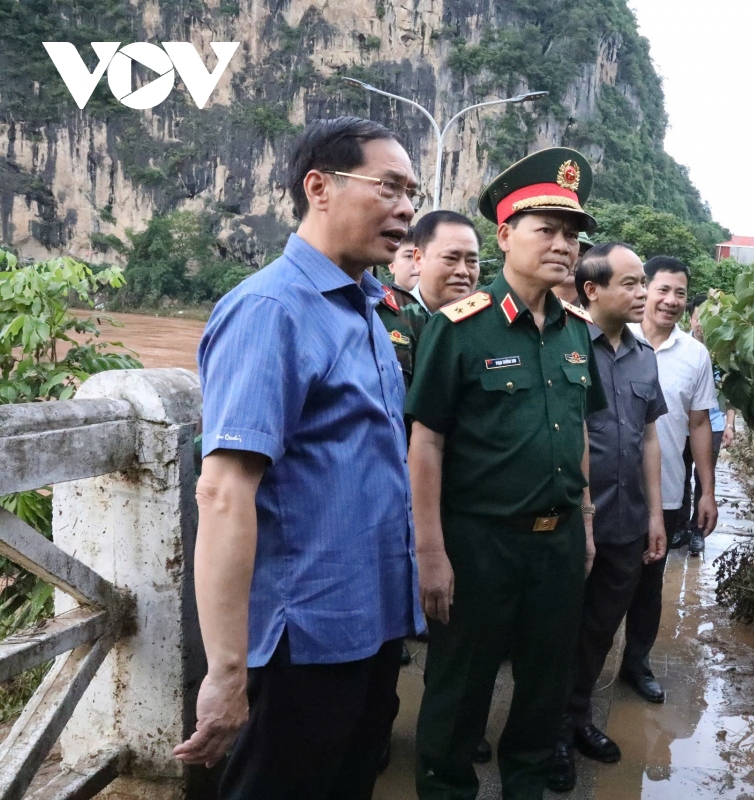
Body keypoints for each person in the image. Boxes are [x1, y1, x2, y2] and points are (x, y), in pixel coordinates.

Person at [174, 117, 423, 800]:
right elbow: (223, 493)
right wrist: (226, 675)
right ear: (320, 186)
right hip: (304, 639)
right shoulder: (269, 310)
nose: (406, 209)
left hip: (370, 625)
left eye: (413, 194)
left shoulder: (366, 309)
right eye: (389, 188)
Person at [406, 147, 607, 799]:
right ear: (505, 235)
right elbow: (427, 441)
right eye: (545, 229)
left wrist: (585, 521)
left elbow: (576, 428)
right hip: (478, 543)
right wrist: (431, 550)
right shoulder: (459, 329)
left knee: (543, 695)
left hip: (556, 545)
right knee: (459, 694)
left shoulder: (579, 332)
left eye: (571, 233)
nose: (562, 244)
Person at [547, 242, 670, 791]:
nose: (643, 293)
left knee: (599, 629)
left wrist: (656, 516)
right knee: (556, 628)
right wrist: (584, 513)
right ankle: (545, 732)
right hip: (572, 521)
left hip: (626, 520)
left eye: (644, 282)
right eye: (632, 283)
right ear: (591, 289)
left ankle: (576, 719)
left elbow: (648, 438)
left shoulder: (644, 355)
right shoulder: (564, 346)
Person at [620, 255, 719, 704]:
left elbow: (699, 424)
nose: (671, 300)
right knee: (596, 581)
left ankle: (635, 663)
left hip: (669, 489)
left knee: (649, 581)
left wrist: (709, 491)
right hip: (609, 485)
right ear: (644, 289)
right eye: (662, 289)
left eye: (680, 292)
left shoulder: (695, 355)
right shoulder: (613, 337)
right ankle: (575, 674)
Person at [375, 210, 482, 388]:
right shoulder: (382, 316)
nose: (463, 271)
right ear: (418, 259)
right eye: (450, 258)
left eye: (472, 261)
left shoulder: (488, 324)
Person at [679, 293, 736, 555]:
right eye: (697, 317)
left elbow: (732, 392)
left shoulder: (722, 351)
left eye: (706, 318)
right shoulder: (679, 348)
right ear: (690, 318)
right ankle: (678, 525)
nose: (701, 323)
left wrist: (729, 424)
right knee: (679, 475)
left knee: (705, 478)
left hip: (711, 424)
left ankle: (697, 531)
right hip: (682, 424)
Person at [552, 231, 594, 306]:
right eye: (566, 253)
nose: (574, 261)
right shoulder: (532, 303)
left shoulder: (597, 307)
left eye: (580, 255)